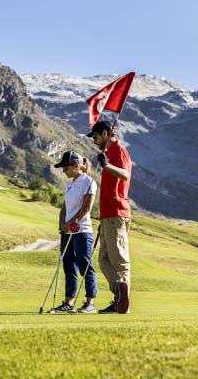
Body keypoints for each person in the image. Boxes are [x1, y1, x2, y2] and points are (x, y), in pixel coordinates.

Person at [86, 120, 132, 314]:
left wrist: (106, 165)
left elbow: (124, 175)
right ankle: (119, 294)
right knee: (103, 259)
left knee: (119, 259)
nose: (94, 141)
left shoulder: (118, 150)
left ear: (105, 134)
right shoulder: (108, 153)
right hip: (108, 215)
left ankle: (123, 303)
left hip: (117, 211)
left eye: (96, 137)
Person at [50, 150, 98, 313]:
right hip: (67, 231)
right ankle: (68, 302)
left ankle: (90, 302)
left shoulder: (89, 182)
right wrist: (62, 224)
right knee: (68, 265)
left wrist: (70, 223)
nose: (64, 171)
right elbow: (64, 207)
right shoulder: (70, 184)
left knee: (85, 265)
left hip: (82, 231)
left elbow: (86, 209)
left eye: (66, 167)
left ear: (76, 166)